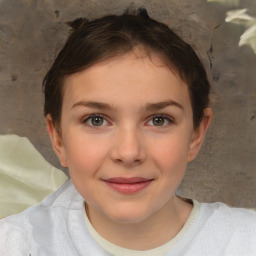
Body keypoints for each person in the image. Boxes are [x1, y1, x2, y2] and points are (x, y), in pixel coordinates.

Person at [1, 6, 256, 256]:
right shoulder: (16, 245)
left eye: (158, 120)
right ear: (58, 139)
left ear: (196, 135)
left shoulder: (246, 241)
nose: (128, 152)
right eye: (96, 120)